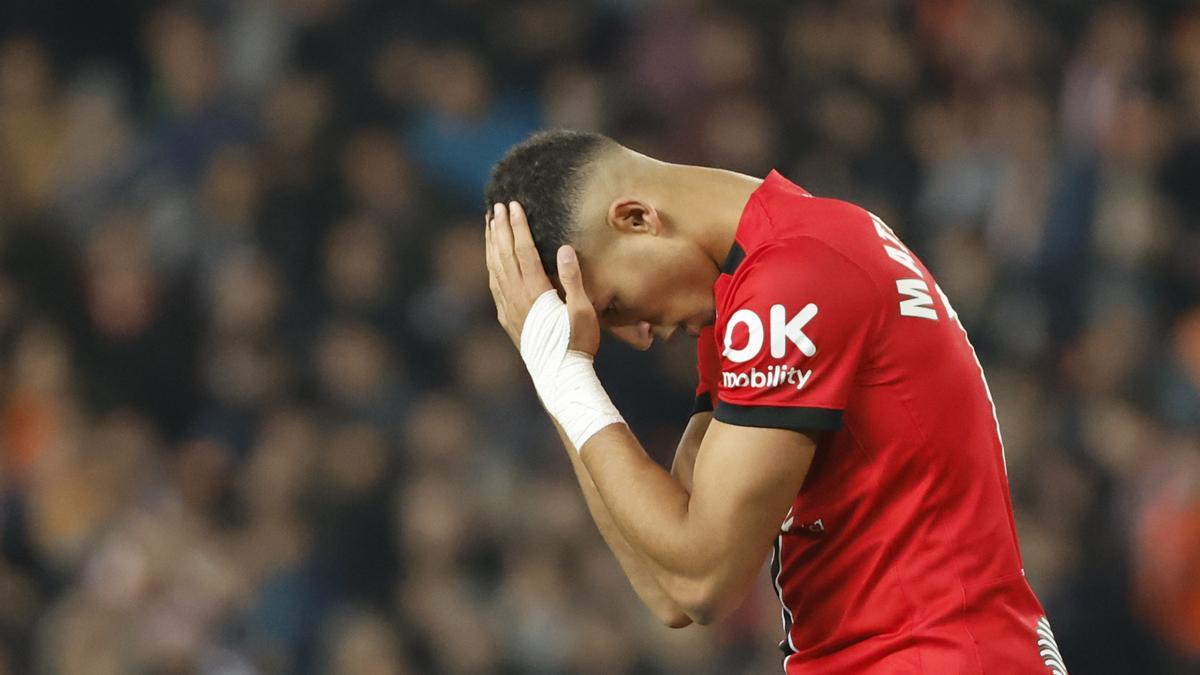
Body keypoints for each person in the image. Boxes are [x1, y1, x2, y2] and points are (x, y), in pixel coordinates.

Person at [482, 130, 1066, 674]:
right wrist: (556, 373)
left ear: (636, 219)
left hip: (935, 655)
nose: (636, 335)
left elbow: (703, 579)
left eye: (612, 306)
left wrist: (564, 376)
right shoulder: (764, 278)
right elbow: (668, 583)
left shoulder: (791, 282)